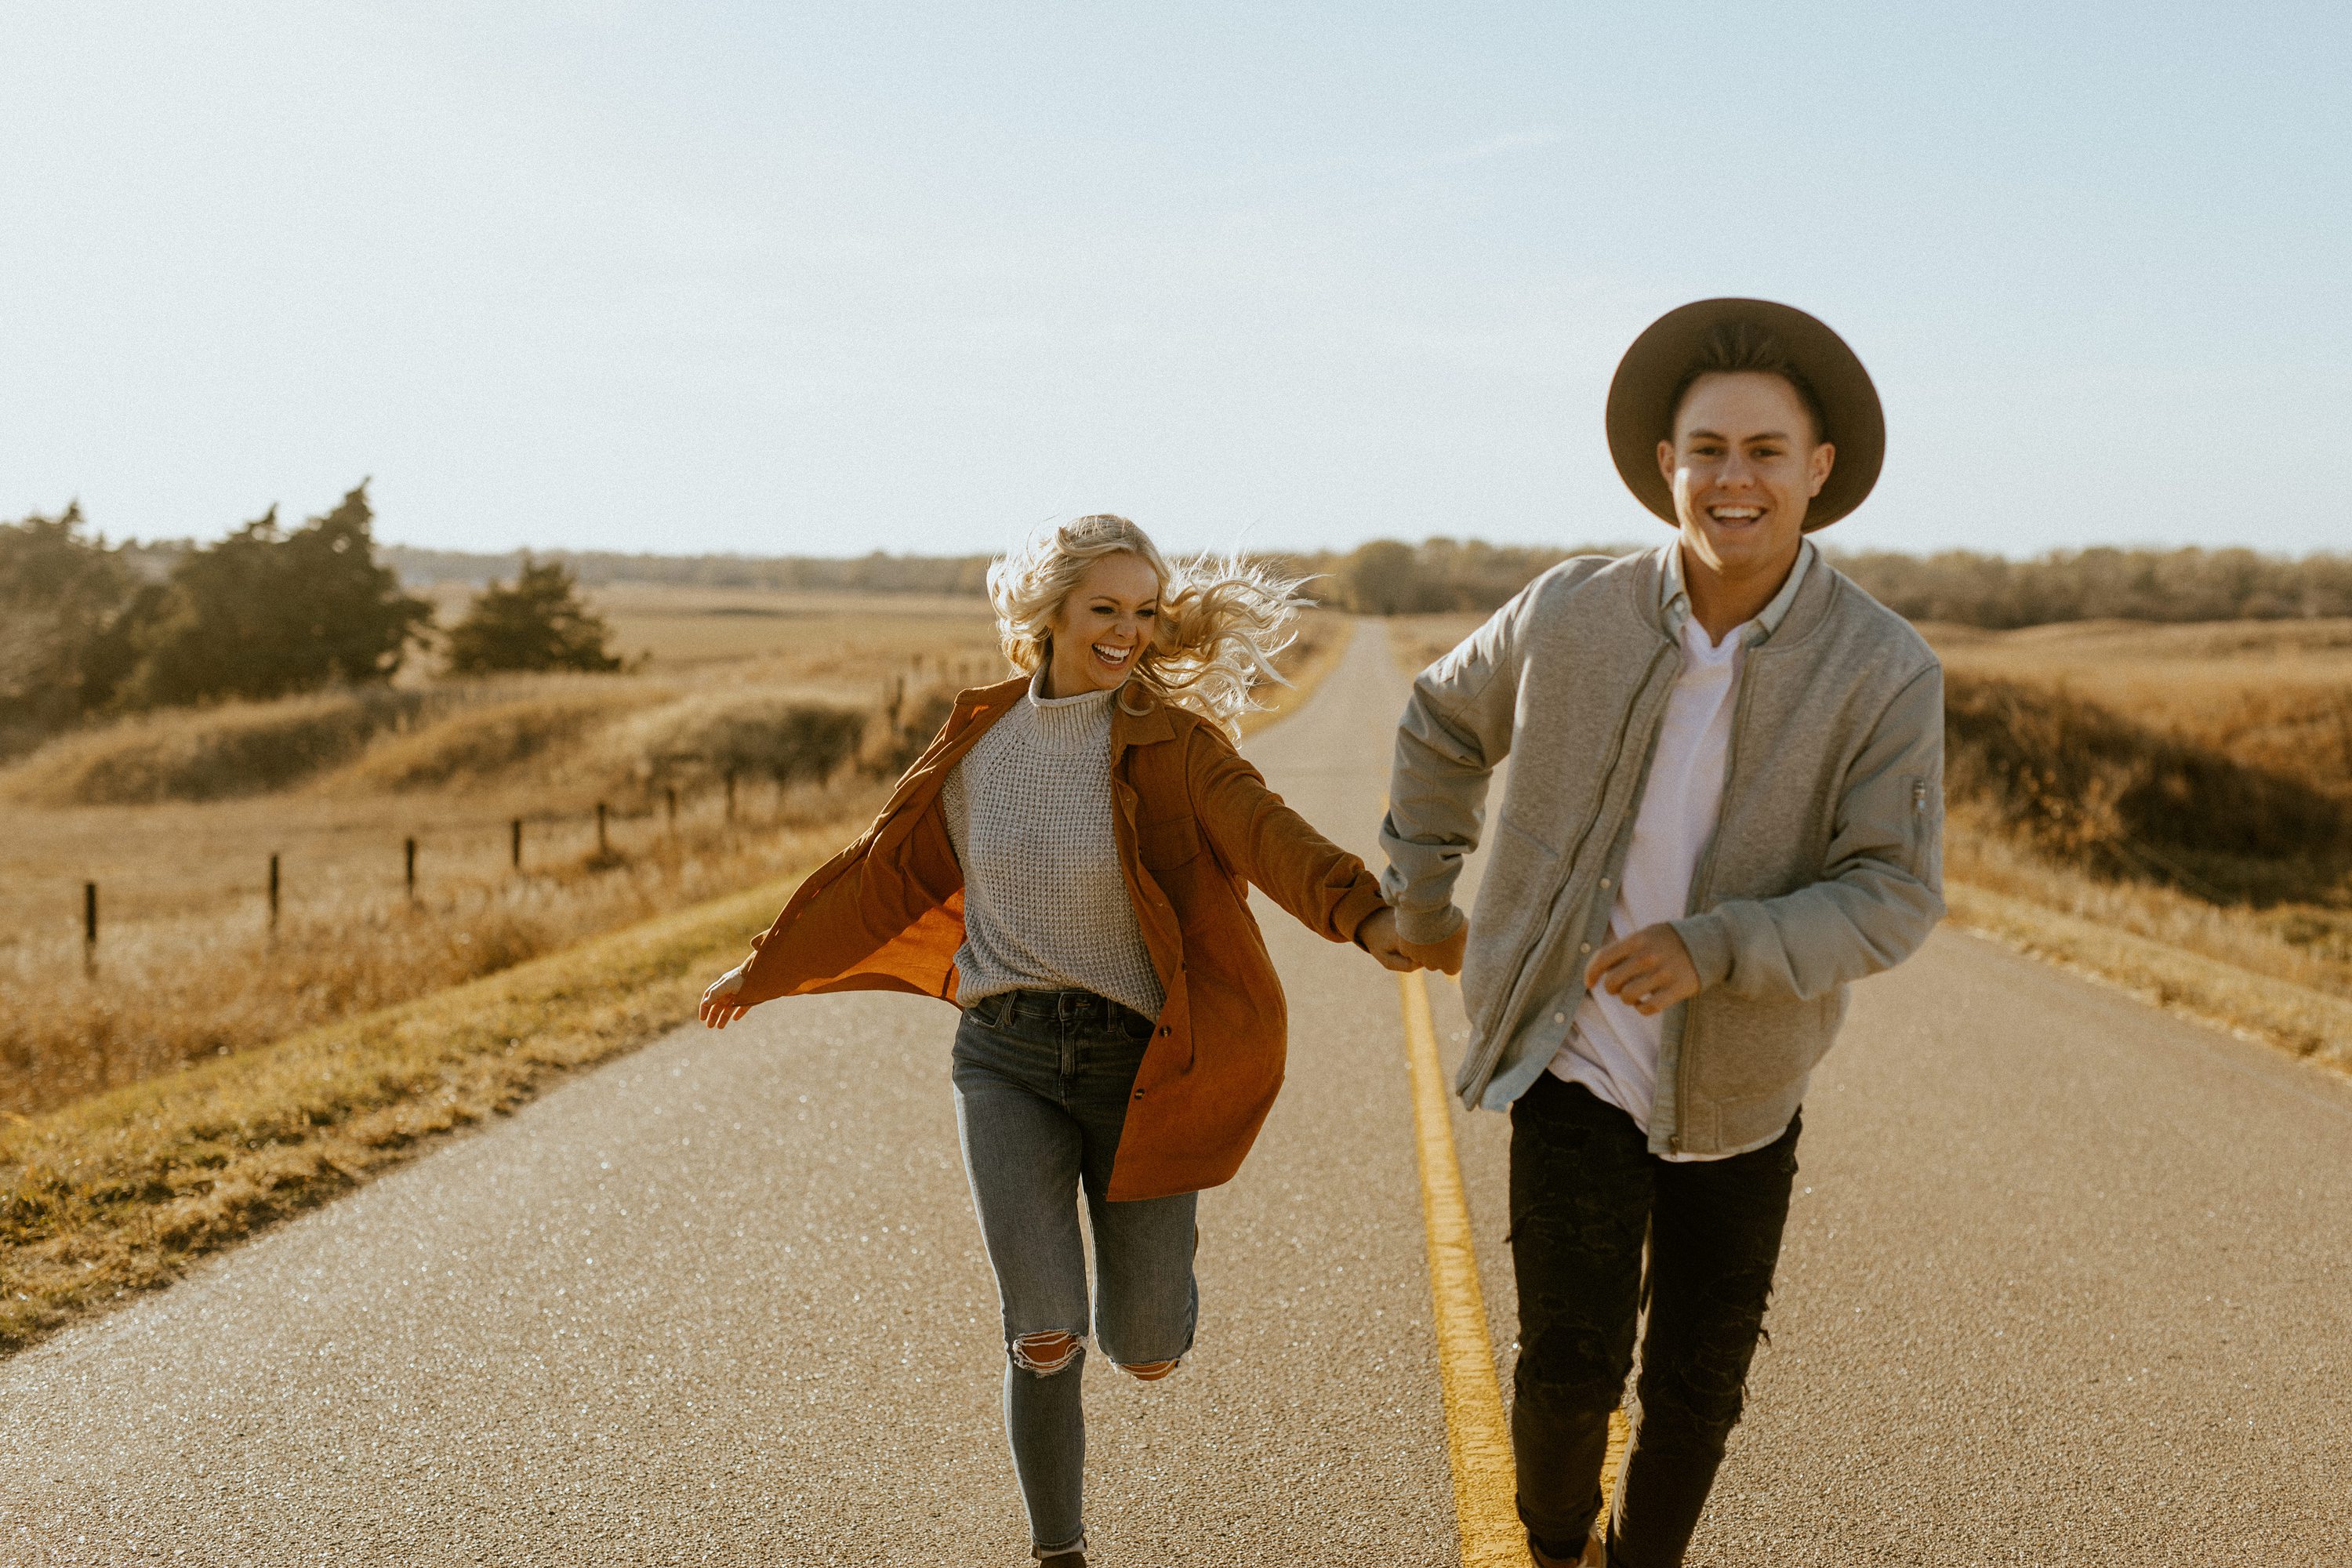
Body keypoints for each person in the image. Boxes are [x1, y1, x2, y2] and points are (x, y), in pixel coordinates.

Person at [699, 514, 1416, 1566]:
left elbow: (1271, 837)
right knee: (1042, 1334)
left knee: (1143, 1347)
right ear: (1048, 616)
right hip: (1006, 1059)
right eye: (1104, 610)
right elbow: (879, 876)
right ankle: (1059, 1553)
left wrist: (1369, 917)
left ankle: (1164, 1298)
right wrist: (766, 969)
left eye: (1144, 612)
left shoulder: (1173, 748)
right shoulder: (978, 742)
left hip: (1144, 1071)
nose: (1127, 632)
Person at [1378, 299, 1945, 1567]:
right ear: (1664, 469)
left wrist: (1716, 944)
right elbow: (1439, 720)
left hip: (1745, 1087)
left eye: (1762, 451)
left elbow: (1894, 889)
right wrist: (1422, 898)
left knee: (1698, 1390)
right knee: (1572, 1367)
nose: (1732, 478)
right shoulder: (1571, 611)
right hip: (1574, 1056)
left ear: (1818, 471)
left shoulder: (1881, 668)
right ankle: (1555, 1544)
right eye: (1707, 449)